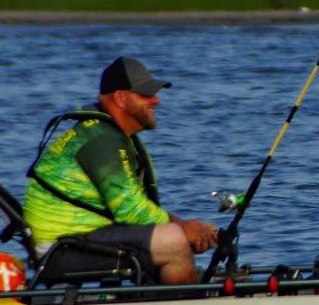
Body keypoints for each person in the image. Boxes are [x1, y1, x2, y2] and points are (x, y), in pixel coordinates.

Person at [22, 56, 220, 284]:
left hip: (77, 239)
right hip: (61, 249)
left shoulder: (103, 133)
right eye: (145, 94)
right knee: (172, 241)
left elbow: (132, 209)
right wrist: (185, 229)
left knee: (166, 237)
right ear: (120, 98)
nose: (156, 101)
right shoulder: (101, 140)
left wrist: (185, 228)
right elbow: (132, 212)